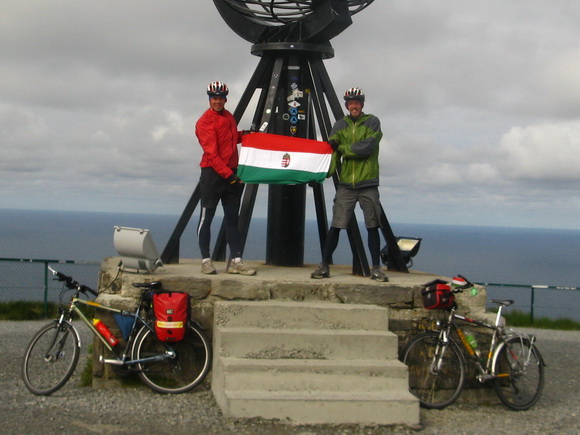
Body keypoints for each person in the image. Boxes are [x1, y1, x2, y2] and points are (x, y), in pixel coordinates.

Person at [311, 87, 388, 282]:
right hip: (346, 183)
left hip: (368, 182)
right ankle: (324, 266)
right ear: (347, 105)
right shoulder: (339, 125)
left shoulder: (372, 121)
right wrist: (321, 176)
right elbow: (332, 153)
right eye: (351, 103)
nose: (354, 106)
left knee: (372, 225)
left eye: (357, 102)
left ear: (362, 104)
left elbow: (367, 147)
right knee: (336, 225)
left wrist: (343, 147)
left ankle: (376, 269)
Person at [195, 81, 256, 276]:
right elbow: (212, 155)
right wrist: (230, 176)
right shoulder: (204, 122)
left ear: (225, 99)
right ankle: (206, 261)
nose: (218, 101)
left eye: (221, 98)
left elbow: (229, 139)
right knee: (207, 217)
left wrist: (245, 135)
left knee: (232, 218)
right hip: (213, 174)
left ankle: (236, 261)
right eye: (214, 98)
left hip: (231, 173)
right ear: (209, 99)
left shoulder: (229, 117)